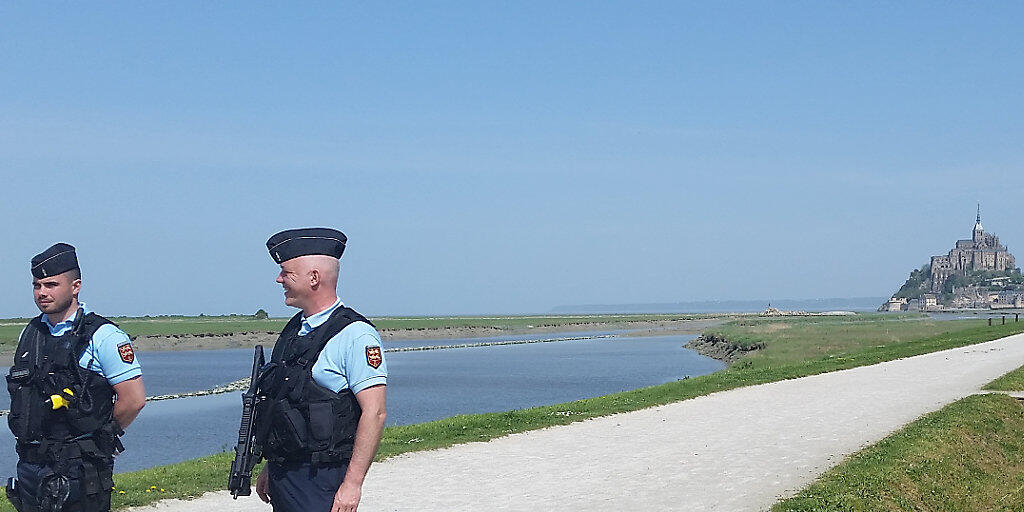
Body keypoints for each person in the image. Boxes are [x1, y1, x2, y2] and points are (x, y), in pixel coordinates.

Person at [254, 228, 388, 512]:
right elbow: (284, 403)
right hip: (286, 475)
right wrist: (272, 464)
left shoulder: (355, 335)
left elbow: (374, 413)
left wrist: (352, 484)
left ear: (314, 278)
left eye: (286, 273)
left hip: (323, 477)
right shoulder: (293, 331)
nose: (279, 279)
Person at [5, 243, 146, 512]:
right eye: (37, 285)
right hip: (31, 466)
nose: (42, 293)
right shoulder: (31, 333)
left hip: (79, 470)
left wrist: (104, 437)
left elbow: (134, 399)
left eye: (51, 285)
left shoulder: (103, 335)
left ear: (75, 286)